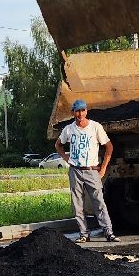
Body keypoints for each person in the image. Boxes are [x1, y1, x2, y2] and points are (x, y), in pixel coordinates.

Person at [56, 99, 116, 243]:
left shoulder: (95, 127)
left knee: (99, 202)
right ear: (73, 112)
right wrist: (66, 158)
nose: (80, 113)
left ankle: (108, 232)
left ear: (86, 111)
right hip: (75, 171)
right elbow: (58, 145)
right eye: (77, 111)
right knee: (77, 205)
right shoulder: (69, 129)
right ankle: (84, 234)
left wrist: (103, 169)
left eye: (83, 110)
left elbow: (109, 147)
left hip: (91, 170)